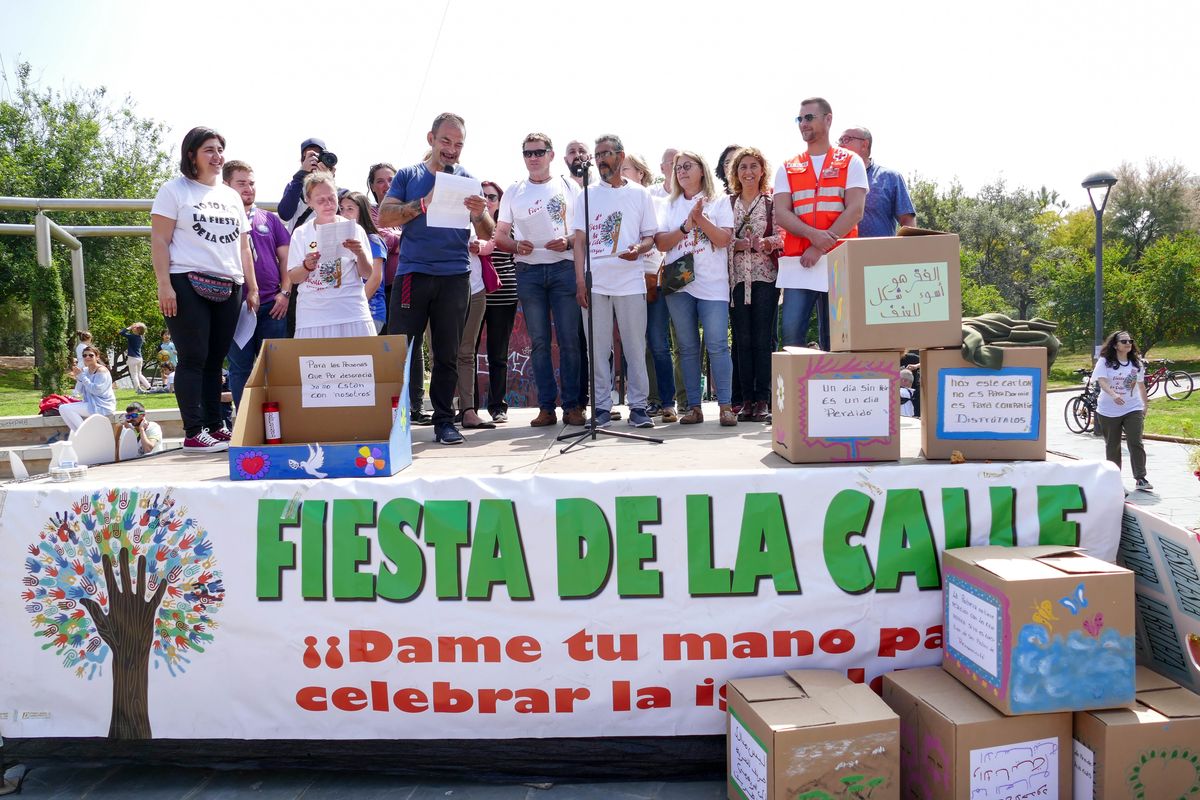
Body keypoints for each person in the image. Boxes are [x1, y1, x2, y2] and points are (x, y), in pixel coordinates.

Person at [377, 112, 495, 446]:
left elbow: (488, 232)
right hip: (413, 274)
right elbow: (384, 216)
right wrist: (421, 204)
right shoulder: (409, 175)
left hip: (455, 276)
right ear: (431, 139)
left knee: (447, 353)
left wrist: (479, 213)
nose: (452, 149)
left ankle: (444, 421)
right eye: (446, 141)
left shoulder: (468, 179)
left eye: (458, 144)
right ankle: (393, 422)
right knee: (400, 351)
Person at [151, 126, 258, 454]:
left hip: (230, 283)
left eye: (220, 149)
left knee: (216, 360)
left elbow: (243, 247)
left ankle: (216, 425)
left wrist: (252, 287)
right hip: (186, 280)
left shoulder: (231, 196)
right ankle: (193, 431)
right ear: (191, 155)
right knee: (193, 356)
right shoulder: (174, 190)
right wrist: (164, 285)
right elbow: (159, 240)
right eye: (209, 150)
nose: (217, 156)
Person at [495, 133, 586, 428]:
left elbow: (583, 232)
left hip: (563, 268)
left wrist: (567, 241)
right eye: (528, 153)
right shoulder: (514, 190)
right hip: (529, 271)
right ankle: (546, 408)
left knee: (570, 340)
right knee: (539, 343)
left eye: (538, 152)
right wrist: (515, 245)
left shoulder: (569, 186)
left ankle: (573, 406)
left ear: (551, 154)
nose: (533, 158)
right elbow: (500, 235)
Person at [571, 135, 658, 430]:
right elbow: (579, 241)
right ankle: (601, 408)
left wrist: (639, 249)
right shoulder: (586, 195)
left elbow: (650, 237)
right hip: (595, 283)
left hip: (630, 281)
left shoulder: (640, 194)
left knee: (635, 347)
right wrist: (580, 281)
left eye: (606, 154)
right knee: (597, 350)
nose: (600, 160)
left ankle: (639, 407)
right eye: (597, 155)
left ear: (620, 156)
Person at [774, 97, 867, 351]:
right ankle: (797, 380)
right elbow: (781, 213)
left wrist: (820, 246)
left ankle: (837, 379)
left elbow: (855, 210)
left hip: (839, 261)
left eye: (809, 117)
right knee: (791, 336)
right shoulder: (787, 166)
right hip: (800, 263)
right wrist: (813, 236)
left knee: (838, 338)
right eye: (799, 119)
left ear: (828, 119)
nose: (803, 123)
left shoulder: (851, 161)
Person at [655, 151, 736, 426]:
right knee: (687, 347)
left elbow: (724, 239)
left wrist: (701, 219)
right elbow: (662, 243)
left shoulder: (719, 200)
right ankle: (693, 407)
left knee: (717, 344)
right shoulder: (669, 204)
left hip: (712, 284)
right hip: (680, 285)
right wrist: (686, 225)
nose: (681, 171)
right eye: (678, 167)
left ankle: (726, 407)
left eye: (687, 166)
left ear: (702, 170)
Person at [223, 159, 292, 408]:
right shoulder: (220, 219)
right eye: (241, 183)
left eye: (251, 183)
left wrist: (285, 293)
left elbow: (286, 258)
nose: (248, 188)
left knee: (275, 369)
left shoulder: (269, 219)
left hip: (272, 306)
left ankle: (277, 420)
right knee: (240, 368)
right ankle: (245, 420)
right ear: (226, 185)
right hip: (236, 306)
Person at [727, 147, 782, 423]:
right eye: (742, 167)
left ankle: (763, 399)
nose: (748, 172)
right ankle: (745, 400)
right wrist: (735, 245)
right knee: (742, 340)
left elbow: (783, 236)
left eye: (753, 166)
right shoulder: (727, 204)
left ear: (762, 171)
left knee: (763, 339)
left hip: (765, 278)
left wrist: (766, 243)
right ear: (735, 173)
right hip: (736, 280)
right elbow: (718, 239)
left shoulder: (772, 203)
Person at [286, 174, 378, 339]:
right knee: (316, 356)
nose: (328, 204)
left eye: (332, 198)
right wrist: (307, 266)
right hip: (313, 315)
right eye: (320, 200)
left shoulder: (354, 229)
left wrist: (360, 253)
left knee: (358, 355)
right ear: (309, 201)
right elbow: (293, 277)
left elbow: (367, 273)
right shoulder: (301, 233)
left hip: (351, 311)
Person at [622, 152, 677, 423]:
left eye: (625, 169)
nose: (620, 174)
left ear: (640, 173)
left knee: (658, 342)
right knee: (635, 345)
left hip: (655, 279)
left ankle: (668, 402)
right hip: (626, 282)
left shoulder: (657, 201)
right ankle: (645, 402)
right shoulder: (614, 202)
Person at [472, 181, 518, 425]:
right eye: (483, 196)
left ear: (500, 201)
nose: (487, 201)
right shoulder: (466, 224)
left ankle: (498, 406)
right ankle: (469, 408)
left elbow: (516, 253)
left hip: (504, 295)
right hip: (473, 294)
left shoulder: (508, 226)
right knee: (467, 353)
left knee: (498, 355)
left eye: (492, 197)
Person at [1092, 330, 1152, 492]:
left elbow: (1141, 385)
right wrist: (1113, 395)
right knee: (1113, 445)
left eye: (1130, 341)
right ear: (1115, 345)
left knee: (1136, 442)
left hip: (1133, 408)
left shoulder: (1136, 363)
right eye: (1124, 341)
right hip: (1108, 410)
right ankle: (1114, 479)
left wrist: (1145, 405)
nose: (1128, 344)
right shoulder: (1105, 361)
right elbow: (1102, 381)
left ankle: (1140, 478)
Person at [837, 126, 916, 238]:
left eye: (846, 139)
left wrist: (906, 248)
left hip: (880, 249)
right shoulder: (832, 178)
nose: (840, 145)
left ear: (864, 145)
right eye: (840, 141)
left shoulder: (890, 178)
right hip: (839, 248)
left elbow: (907, 221)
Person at [339, 191, 388, 332]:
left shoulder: (373, 240)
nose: (344, 214)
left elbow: (375, 278)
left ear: (363, 212)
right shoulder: (341, 241)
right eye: (341, 209)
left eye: (350, 209)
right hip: (346, 312)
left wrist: (356, 307)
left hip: (370, 312)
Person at [278, 137, 336, 231]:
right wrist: (300, 176)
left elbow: (340, 216)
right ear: (302, 161)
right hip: (301, 239)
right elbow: (285, 215)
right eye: (310, 156)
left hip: (327, 238)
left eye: (319, 156)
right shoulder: (294, 187)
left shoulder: (335, 190)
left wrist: (329, 179)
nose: (315, 160)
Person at [58, 346, 117, 431]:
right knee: (62, 408)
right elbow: (81, 390)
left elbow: (95, 391)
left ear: (97, 357)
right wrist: (78, 377)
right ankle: (79, 433)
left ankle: (84, 432)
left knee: (65, 408)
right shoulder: (85, 370)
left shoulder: (101, 371)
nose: (87, 357)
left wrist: (82, 376)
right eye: (84, 355)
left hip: (102, 405)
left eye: (91, 355)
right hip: (90, 403)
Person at [119, 322, 152, 393]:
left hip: (132, 358)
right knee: (139, 374)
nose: (133, 327)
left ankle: (138, 389)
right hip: (139, 358)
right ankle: (149, 387)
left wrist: (129, 327)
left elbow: (121, 332)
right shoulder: (141, 337)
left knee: (134, 375)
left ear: (137, 330)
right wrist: (134, 327)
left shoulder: (132, 337)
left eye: (135, 327)